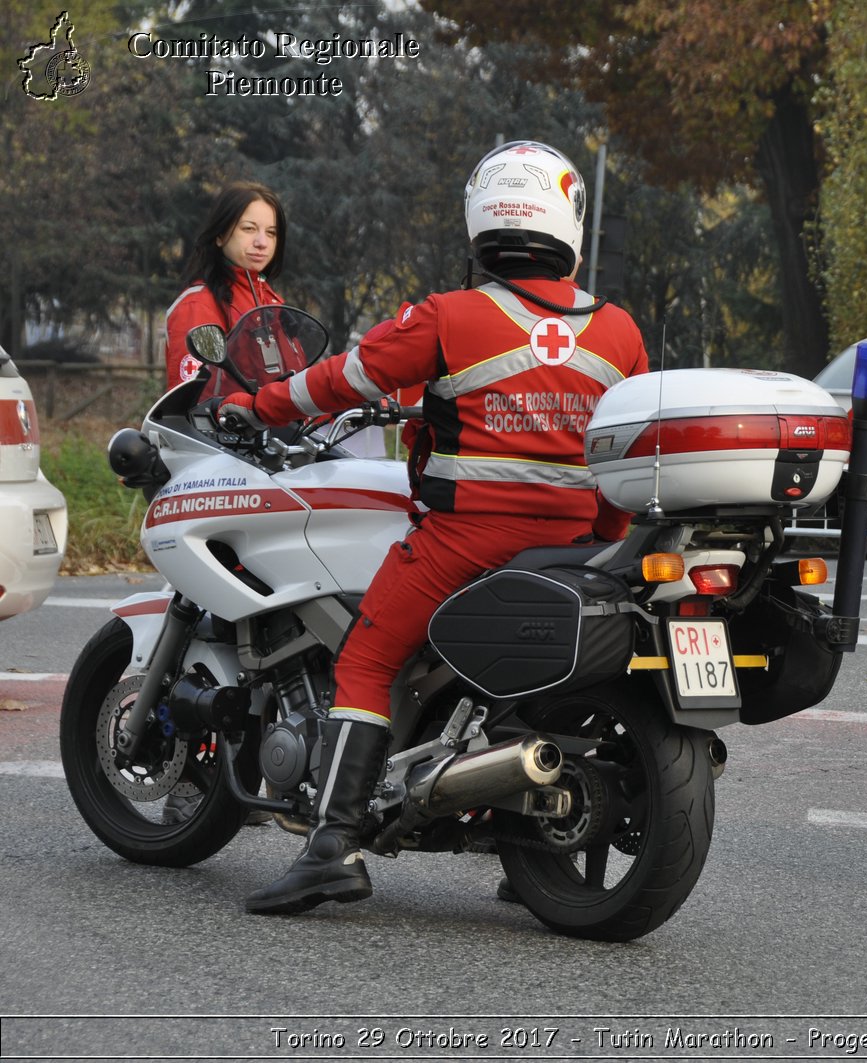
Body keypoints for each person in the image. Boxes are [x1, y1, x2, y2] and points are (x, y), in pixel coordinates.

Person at [223, 141, 650, 916]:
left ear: (482, 218)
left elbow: (339, 380)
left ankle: (333, 845)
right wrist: (607, 540)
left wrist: (258, 404)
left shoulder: (451, 315)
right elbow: (619, 456)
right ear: (567, 222)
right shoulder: (618, 331)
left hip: (466, 540)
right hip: (578, 545)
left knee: (367, 657)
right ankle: (522, 836)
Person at [164, 182, 288, 399]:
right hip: (228, 431)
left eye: (271, 233)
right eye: (248, 229)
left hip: (283, 431)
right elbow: (196, 404)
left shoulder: (274, 304)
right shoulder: (199, 305)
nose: (262, 243)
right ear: (220, 235)